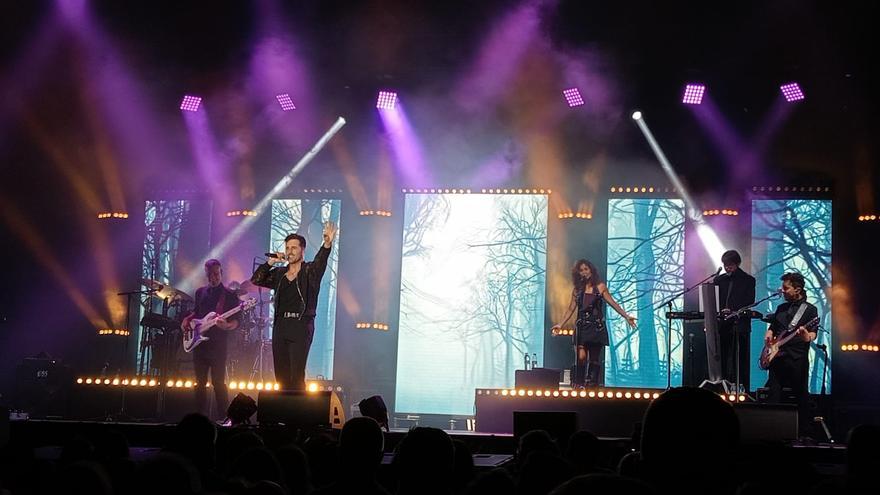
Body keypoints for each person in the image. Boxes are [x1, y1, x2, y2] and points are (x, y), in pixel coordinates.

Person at [251, 222, 336, 390]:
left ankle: (298, 412)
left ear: (302, 250)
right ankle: (283, 414)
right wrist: (271, 262)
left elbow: (320, 262)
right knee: (281, 378)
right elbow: (256, 280)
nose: (290, 251)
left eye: (294, 248)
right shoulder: (279, 274)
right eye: (287, 247)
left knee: (296, 376)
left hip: (301, 325)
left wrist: (326, 244)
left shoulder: (309, 271)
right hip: (281, 326)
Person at [552, 259, 636, 387]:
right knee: (581, 357)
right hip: (582, 327)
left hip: (596, 327)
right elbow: (571, 308)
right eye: (581, 270)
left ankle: (591, 384)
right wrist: (560, 324)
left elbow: (613, 303)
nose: (584, 272)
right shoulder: (577, 290)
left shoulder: (600, 287)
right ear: (578, 273)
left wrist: (626, 316)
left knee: (594, 358)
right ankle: (578, 382)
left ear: (591, 270)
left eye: (586, 269)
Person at [181, 259, 240, 419]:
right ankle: (199, 419)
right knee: (199, 384)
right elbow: (197, 312)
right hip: (200, 345)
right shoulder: (200, 292)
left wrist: (227, 326)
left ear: (221, 273)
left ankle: (225, 418)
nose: (212, 278)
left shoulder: (229, 295)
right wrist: (187, 319)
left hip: (218, 346)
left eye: (216, 274)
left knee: (218, 383)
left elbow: (237, 320)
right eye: (209, 274)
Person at [763, 272, 818, 433]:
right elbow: (774, 327)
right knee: (774, 395)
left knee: (801, 395)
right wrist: (769, 334)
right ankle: (772, 430)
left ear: (798, 289)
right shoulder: (781, 308)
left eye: (786, 288)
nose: (782, 291)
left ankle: (804, 432)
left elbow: (813, 333)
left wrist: (807, 336)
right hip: (777, 358)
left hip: (796, 358)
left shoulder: (810, 310)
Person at [712, 249, 756, 392]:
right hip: (723, 324)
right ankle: (722, 386)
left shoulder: (748, 280)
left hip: (740, 325)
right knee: (722, 357)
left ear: (737, 264)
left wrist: (733, 310)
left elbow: (749, 302)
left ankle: (740, 387)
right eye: (725, 265)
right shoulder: (719, 280)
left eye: (730, 265)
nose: (727, 268)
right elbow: (714, 300)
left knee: (739, 358)